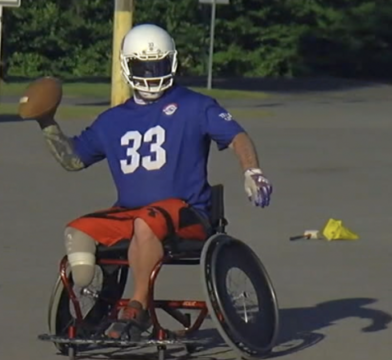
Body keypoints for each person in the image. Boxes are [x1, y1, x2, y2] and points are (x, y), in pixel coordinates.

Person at [30, 23, 273, 341]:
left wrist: (252, 171)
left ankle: (138, 306)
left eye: (157, 65)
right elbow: (74, 160)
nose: (150, 73)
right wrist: (47, 123)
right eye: (143, 66)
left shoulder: (195, 105)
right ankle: (93, 297)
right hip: (133, 214)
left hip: (186, 214)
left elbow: (237, 136)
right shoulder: (113, 120)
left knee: (147, 221)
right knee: (79, 228)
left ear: (171, 62)